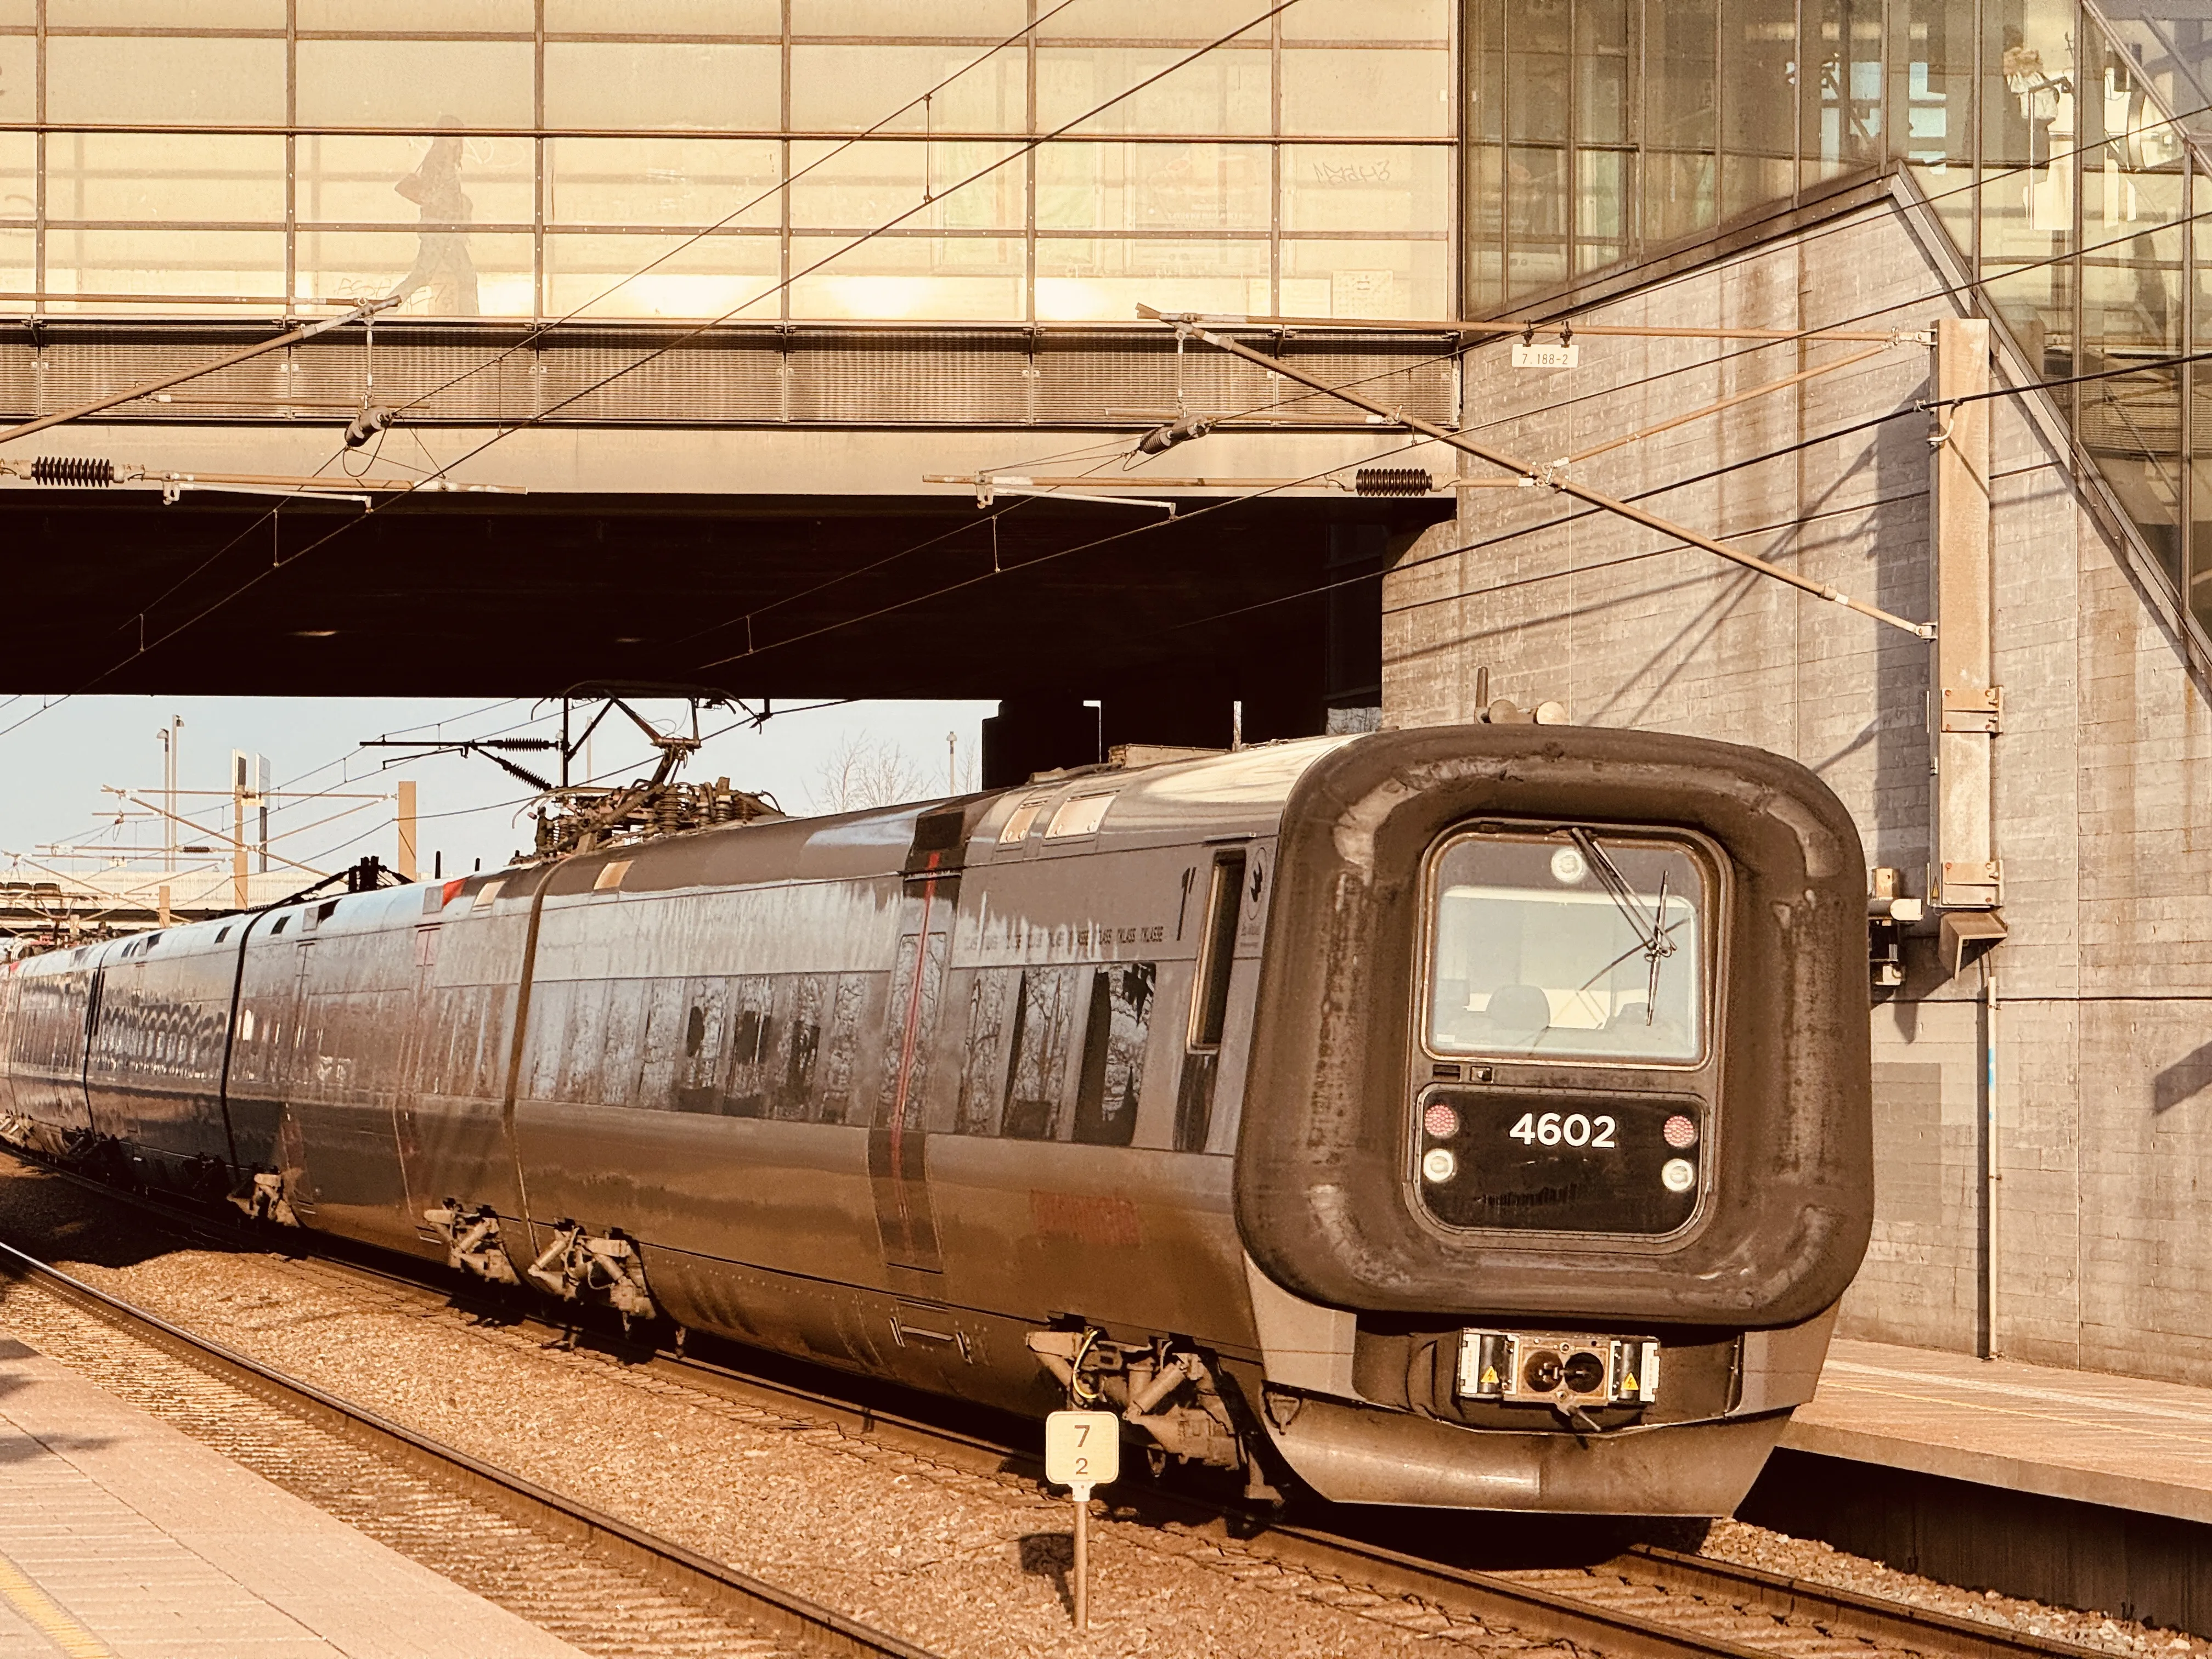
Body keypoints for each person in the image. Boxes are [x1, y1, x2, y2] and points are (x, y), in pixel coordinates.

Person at [387, 119, 478, 317]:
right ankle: (381, 311)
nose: (456, 138)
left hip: (443, 229)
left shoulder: (446, 159)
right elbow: (436, 196)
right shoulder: (440, 159)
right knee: (426, 276)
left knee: (464, 275)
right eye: (452, 133)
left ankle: (473, 320)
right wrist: (455, 204)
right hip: (440, 229)